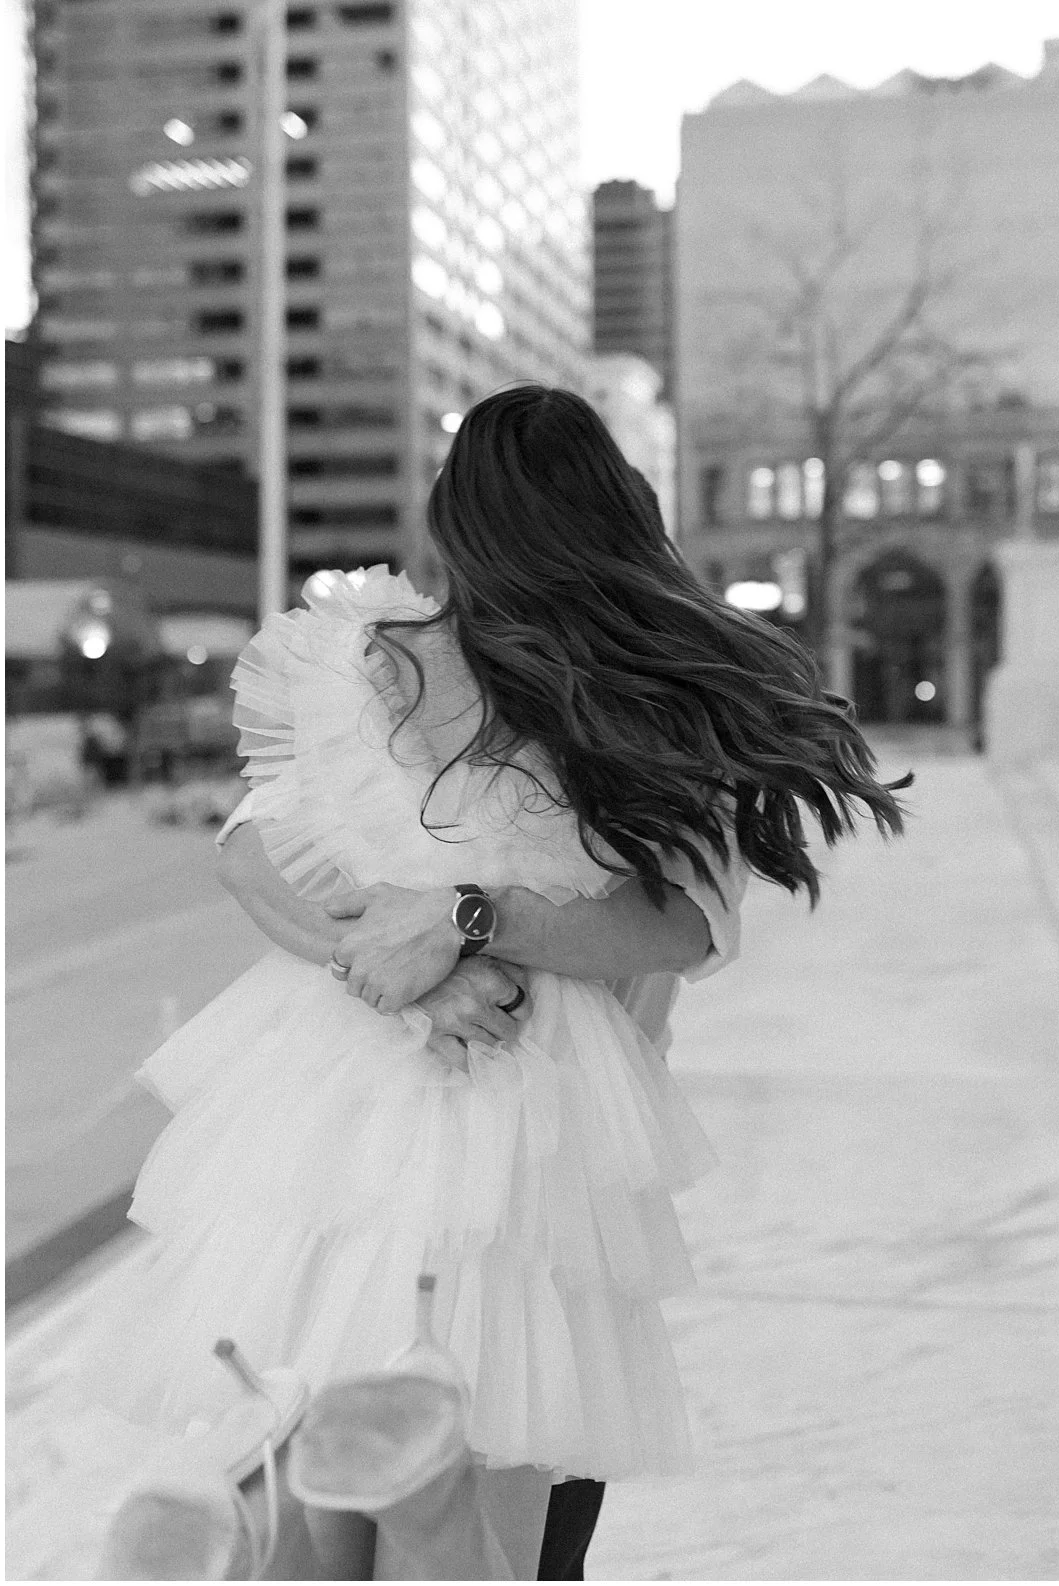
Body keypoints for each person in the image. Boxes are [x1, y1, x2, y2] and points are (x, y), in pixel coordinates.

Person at [85, 384, 905, 1575]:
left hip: (389, 1145)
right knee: (486, 1502)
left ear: (450, 519)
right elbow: (252, 853)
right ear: (626, 510)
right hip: (467, 1141)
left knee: (342, 1473)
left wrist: (463, 918)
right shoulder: (388, 665)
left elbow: (673, 926)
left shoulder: (626, 690)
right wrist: (400, 969)